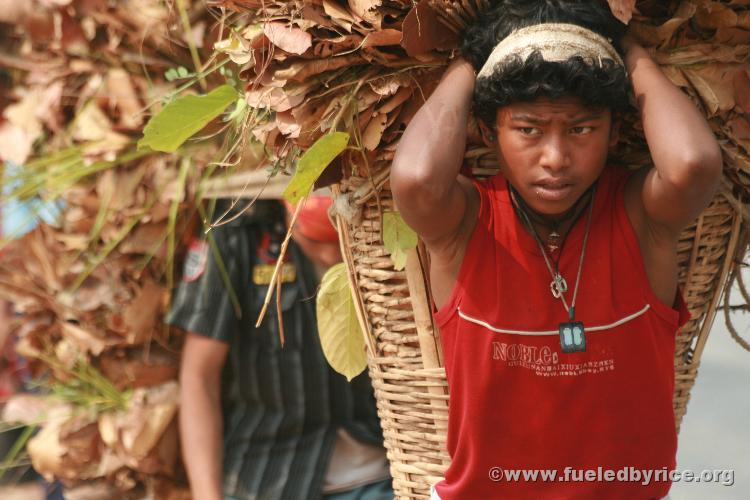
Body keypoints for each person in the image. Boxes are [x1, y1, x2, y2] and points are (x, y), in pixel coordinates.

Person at [391, 1, 722, 499]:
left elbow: (693, 163)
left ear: (614, 132)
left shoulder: (639, 220)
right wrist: (475, 55)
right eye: (528, 129)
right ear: (488, 133)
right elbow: (416, 178)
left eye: (581, 129)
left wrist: (625, 45)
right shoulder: (467, 224)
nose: (555, 158)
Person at [168, 196, 392, 500]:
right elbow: (199, 377)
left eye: (341, 243)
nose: (331, 257)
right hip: (264, 478)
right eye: (317, 243)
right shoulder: (235, 228)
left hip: (377, 479)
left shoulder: (388, 218)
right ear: (291, 215)